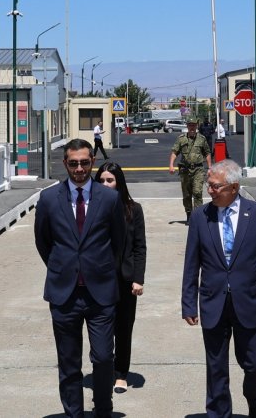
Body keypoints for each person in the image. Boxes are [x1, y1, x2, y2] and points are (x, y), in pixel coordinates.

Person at [181, 159, 256, 418]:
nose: (210, 190)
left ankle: (254, 399)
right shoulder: (200, 216)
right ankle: (218, 413)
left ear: (234, 187)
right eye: (209, 185)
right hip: (213, 302)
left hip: (250, 302)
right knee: (216, 368)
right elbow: (191, 263)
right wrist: (188, 303)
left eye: (216, 186)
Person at [34, 139, 127, 418]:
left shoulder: (109, 198)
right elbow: (43, 242)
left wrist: (100, 268)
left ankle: (103, 409)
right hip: (64, 294)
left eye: (84, 162)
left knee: (102, 357)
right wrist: (63, 267)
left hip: (100, 293)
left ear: (92, 162)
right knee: (69, 361)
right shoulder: (49, 199)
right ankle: (74, 413)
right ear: (65, 164)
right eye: (73, 163)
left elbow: (118, 242)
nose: (79, 168)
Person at [94, 161, 145, 394]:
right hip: (98, 280)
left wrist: (138, 278)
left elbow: (139, 247)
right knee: (101, 329)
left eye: (110, 180)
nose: (105, 184)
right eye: (102, 180)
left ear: (119, 183)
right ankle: (102, 370)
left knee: (123, 328)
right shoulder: (91, 209)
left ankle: (121, 374)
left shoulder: (133, 210)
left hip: (124, 280)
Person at [168, 119, 213, 220]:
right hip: (185, 170)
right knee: (187, 194)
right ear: (187, 126)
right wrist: (171, 165)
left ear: (197, 126)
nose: (192, 127)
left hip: (198, 169)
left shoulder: (202, 139)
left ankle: (198, 216)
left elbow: (207, 153)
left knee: (197, 192)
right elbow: (174, 152)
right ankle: (189, 214)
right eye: (190, 125)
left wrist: (210, 167)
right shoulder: (181, 139)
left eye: (193, 125)